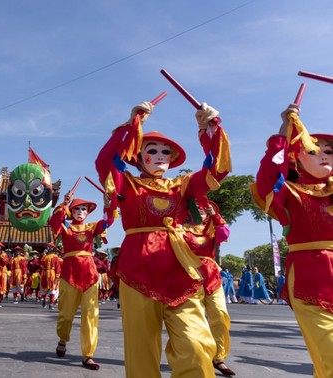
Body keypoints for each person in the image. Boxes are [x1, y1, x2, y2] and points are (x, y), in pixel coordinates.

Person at [95, 99, 231, 377]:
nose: (159, 156)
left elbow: (217, 170)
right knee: (141, 351)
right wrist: (133, 126)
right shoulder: (127, 184)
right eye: (151, 150)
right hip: (138, 271)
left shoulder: (182, 186)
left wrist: (210, 130)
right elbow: (105, 162)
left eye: (165, 152)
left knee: (196, 345)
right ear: (138, 155)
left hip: (180, 272)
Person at [252, 102, 333, 377]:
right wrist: (283, 133)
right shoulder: (289, 193)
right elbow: (268, 178)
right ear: (296, 158)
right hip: (312, 275)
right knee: (330, 352)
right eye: (314, 150)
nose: (325, 155)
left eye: (330, 152)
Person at [49, 194, 114, 371]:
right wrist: (64, 203)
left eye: (83, 209)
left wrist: (108, 204)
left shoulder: (92, 228)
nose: (80, 212)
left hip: (90, 275)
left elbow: (108, 221)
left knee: (91, 316)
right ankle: (62, 339)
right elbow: (53, 223)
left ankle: (88, 355)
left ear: (87, 213)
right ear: (71, 211)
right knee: (66, 313)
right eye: (76, 209)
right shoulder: (65, 227)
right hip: (69, 274)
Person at [183, 197, 235, 376]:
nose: (201, 209)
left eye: (205, 207)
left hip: (212, 275)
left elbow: (225, 235)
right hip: (189, 275)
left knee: (220, 315)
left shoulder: (213, 228)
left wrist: (217, 217)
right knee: (193, 321)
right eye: (196, 207)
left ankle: (219, 357)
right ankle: (198, 355)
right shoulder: (182, 229)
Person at [40, 242, 62, 309]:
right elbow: (40, 264)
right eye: (48, 247)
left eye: (50, 247)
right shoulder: (44, 257)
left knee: (52, 288)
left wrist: (57, 276)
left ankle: (51, 303)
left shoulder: (55, 257)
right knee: (44, 288)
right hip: (44, 273)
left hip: (52, 273)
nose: (49, 248)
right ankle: (44, 300)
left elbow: (58, 267)